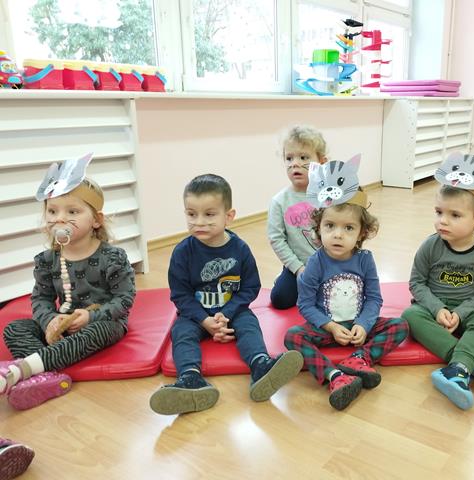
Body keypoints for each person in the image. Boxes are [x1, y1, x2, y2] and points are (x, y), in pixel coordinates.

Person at [150, 174, 303, 415]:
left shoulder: (240, 249)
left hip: (234, 311)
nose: (199, 222)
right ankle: (190, 379)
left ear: (228, 216)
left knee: (249, 325)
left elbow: (250, 288)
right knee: (181, 333)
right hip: (195, 315)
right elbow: (180, 295)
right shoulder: (182, 252)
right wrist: (205, 320)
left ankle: (261, 365)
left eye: (209, 214)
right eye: (191, 214)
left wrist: (227, 314)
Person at [1, 154, 135, 410]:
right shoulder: (46, 260)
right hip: (60, 327)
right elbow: (40, 298)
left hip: (101, 323)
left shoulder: (112, 257)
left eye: (72, 211)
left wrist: (90, 317)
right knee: (14, 328)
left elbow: (124, 299)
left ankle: (21, 370)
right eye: (52, 211)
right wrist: (49, 320)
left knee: (98, 332)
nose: (60, 219)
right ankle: (46, 378)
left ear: (96, 220)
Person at [285, 156, 409, 410]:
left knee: (400, 326)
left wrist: (363, 324)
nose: (338, 235)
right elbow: (305, 304)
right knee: (293, 336)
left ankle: (359, 360)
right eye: (330, 226)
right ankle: (335, 376)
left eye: (349, 228)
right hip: (326, 329)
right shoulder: (315, 263)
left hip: (357, 330)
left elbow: (374, 298)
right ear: (319, 228)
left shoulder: (365, 259)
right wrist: (330, 326)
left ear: (362, 233)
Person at [401, 152, 474, 410]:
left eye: (455, 215)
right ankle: (468, 364)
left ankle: (458, 367)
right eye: (439, 212)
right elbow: (416, 283)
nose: (442, 221)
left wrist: (460, 313)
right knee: (410, 316)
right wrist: (437, 309)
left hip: (469, 309)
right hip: (432, 308)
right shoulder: (430, 245)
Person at [268, 126, 327, 309]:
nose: (295, 164)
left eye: (303, 157)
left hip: (330, 264)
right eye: (289, 158)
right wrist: (298, 268)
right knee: (280, 299)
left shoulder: (329, 196)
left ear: (322, 162)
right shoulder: (279, 201)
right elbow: (276, 239)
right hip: (298, 266)